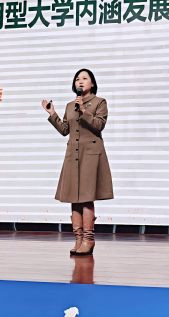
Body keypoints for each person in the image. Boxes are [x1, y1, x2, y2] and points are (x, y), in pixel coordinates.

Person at [42, 69, 114, 255]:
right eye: (77, 79)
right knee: (74, 198)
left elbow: (99, 125)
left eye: (84, 78)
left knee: (86, 198)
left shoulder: (100, 102)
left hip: (91, 155)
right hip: (73, 155)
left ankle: (89, 239)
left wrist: (83, 110)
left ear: (92, 83)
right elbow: (65, 130)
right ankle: (79, 239)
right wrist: (52, 113)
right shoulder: (69, 105)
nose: (80, 81)